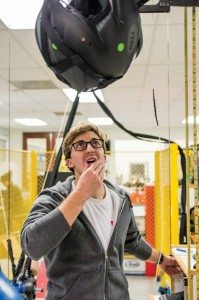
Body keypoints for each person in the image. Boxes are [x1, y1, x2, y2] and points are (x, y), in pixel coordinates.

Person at [21, 122, 181, 300]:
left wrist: (162, 260)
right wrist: (81, 194)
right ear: (69, 162)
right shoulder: (53, 198)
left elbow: (133, 242)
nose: (90, 148)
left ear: (104, 156)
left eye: (96, 143)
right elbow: (32, 246)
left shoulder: (121, 199)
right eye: (80, 145)